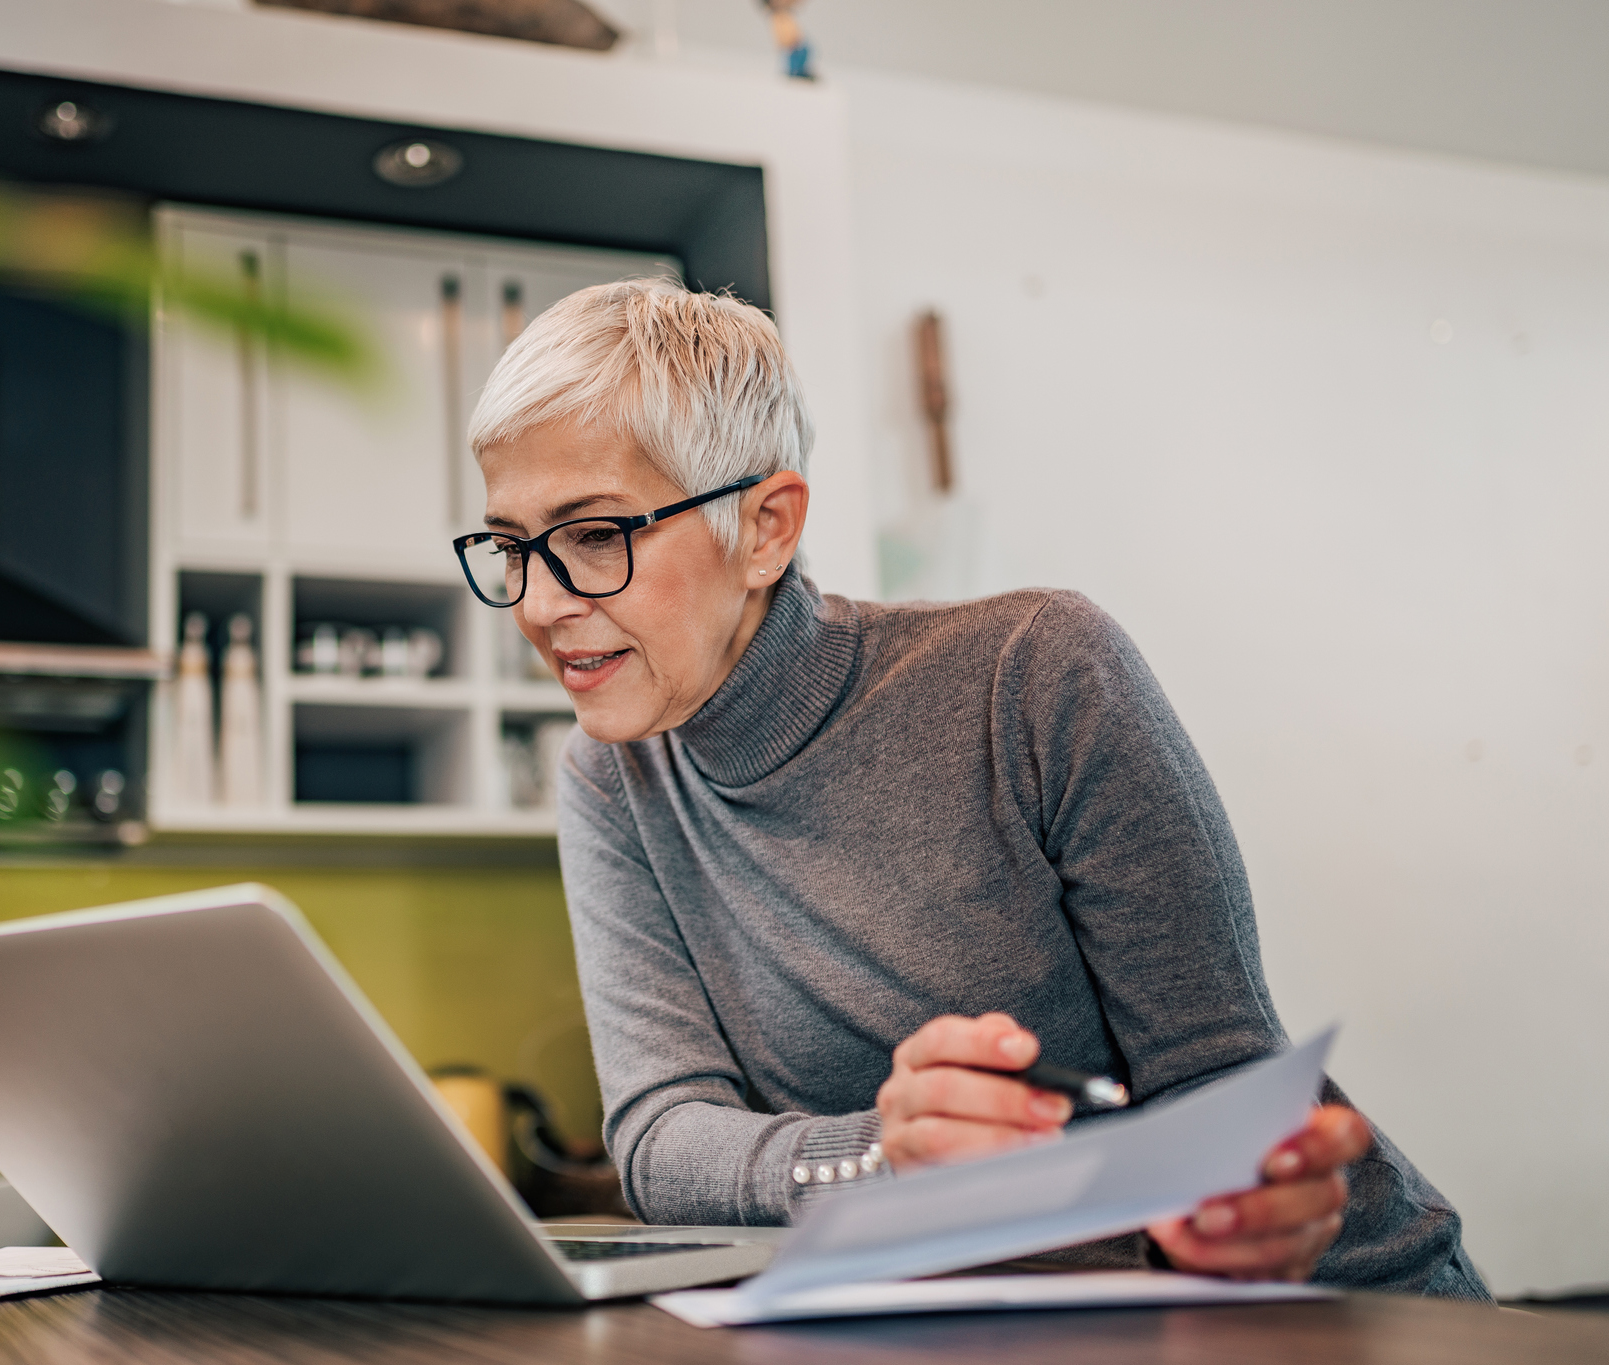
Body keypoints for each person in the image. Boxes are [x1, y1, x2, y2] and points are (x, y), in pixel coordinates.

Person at [454, 277, 1488, 1298]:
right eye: (510, 546)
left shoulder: (1034, 671)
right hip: (1010, 1327)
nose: (538, 604)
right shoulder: (611, 775)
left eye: (594, 536)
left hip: (1336, 1304)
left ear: (766, 527)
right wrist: (880, 1157)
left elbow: (1215, 1085)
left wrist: (1227, 1202)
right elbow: (662, 1141)